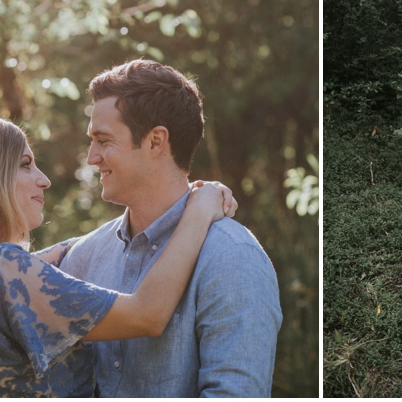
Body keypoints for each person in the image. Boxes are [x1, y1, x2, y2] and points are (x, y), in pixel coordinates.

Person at [0, 114, 236, 397]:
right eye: (24, 164)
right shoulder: (2, 267)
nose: (44, 180)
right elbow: (149, 314)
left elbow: (53, 257)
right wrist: (197, 212)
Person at [59, 58, 283, 397]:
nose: (91, 157)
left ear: (155, 142)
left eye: (103, 140)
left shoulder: (233, 258)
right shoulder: (84, 257)